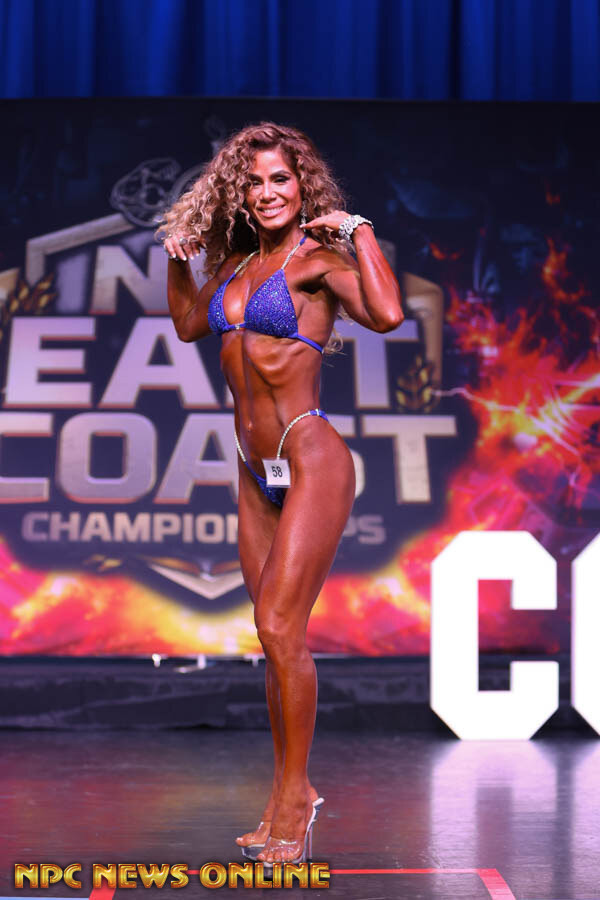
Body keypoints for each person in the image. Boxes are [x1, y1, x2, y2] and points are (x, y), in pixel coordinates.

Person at [160, 122, 403, 865]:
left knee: (279, 621)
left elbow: (387, 315)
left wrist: (359, 231)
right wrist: (178, 260)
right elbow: (189, 324)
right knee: (273, 639)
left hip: (309, 453)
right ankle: (281, 796)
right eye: (255, 181)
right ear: (240, 192)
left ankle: (298, 799)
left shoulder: (318, 261)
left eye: (281, 179)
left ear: (303, 188)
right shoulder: (238, 265)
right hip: (251, 467)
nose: (268, 193)